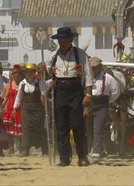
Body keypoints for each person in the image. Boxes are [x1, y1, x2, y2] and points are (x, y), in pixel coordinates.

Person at [47, 27, 94, 167]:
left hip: (75, 90)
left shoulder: (80, 54)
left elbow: (88, 74)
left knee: (78, 125)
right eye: (60, 40)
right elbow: (47, 75)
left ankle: (82, 156)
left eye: (66, 40)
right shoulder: (52, 56)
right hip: (59, 90)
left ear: (71, 40)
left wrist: (88, 94)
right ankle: (64, 158)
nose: (63, 43)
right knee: (61, 126)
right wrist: (45, 70)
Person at [87, 56, 120, 159]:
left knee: (98, 127)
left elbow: (116, 92)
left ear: (100, 66)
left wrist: (108, 101)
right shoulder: (87, 78)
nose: (94, 70)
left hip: (102, 105)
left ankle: (96, 152)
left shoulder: (108, 78)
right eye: (92, 68)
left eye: (95, 67)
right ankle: (92, 149)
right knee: (88, 128)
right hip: (89, 105)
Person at [12, 62, 48, 157]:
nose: (29, 73)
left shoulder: (40, 82)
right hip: (26, 110)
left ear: (34, 72)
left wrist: (44, 107)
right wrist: (15, 108)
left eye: (31, 71)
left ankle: (44, 150)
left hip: (38, 110)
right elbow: (19, 97)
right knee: (26, 130)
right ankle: (25, 150)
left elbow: (43, 95)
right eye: (27, 71)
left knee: (40, 129)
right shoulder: (22, 84)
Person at [2, 64, 23, 154]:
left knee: (20, 131)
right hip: (10, 110)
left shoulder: (24, 84)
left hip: (20, 109)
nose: (16, 75)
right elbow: (5, 98)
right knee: (9, 130)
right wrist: (1, 107)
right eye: (14, 73)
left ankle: (21, 148)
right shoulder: (8, 85)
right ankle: (11, 147)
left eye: (17, 73)